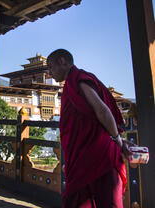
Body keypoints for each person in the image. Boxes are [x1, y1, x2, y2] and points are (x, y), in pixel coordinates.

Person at [46, 49, 134, 208]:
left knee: (106, 201)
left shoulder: (78, 79)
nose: (49, 73)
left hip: (98, 155)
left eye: (50, 67)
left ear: (62, 61)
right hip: (83, 157)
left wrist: (118, 141)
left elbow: (102, 110)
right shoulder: (70, 85)